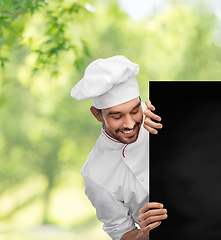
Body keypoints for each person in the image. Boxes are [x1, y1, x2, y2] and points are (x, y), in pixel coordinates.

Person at [70, 55, 167, 240]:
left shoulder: (158, 120)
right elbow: (122, 233)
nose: (129, 124)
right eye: (117, 116)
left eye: (135, 110)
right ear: (97, 115)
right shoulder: (95, 174)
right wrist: (145, 233)